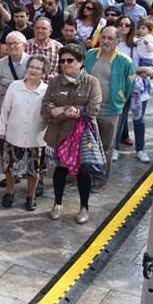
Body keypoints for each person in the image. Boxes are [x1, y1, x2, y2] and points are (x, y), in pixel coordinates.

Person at [43, 44, 102, 224]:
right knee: (59, 171)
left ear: (81, 62)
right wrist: (61, 114)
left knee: (83, 174)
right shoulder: (54, 82)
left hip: (82, 137)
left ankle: (84, 207)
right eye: (62, 61)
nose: (65, 64)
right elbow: (46, 106)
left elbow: (93, 108)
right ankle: (57, 204)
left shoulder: (92, 82)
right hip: (59, 134)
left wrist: (67, 109)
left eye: (70, 60)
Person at [0, 56, 49, 211]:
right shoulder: (14, 86)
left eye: (38, 68)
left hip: (37, 138)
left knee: (34, 171)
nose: (33, 70)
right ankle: (10, 193)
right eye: (31, 66)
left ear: (43, 72)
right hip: (13, 136)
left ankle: (30, 197)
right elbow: (5, 110)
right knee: (10, 168)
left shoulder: (46, 91)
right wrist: (1, 130)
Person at [85, 27, 136, 177]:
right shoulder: (90, 54)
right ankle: (86, 174)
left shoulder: (125, 61)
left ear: (118, 41)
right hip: (89, 109)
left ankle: (101, 176)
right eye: (103, 37)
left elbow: (129, 85)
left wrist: (119, 98)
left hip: (110, 110)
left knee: (106, 146)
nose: (105, 41)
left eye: (110, 38)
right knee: (88, 143)